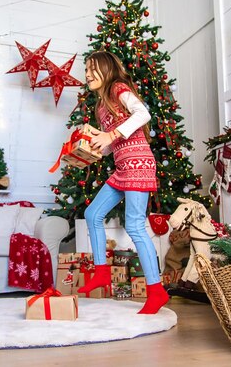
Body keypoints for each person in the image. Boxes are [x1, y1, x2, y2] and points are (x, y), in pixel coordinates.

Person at [79, 51, 169, 314]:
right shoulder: (100, 106)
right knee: (92, 213)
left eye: (92, 69)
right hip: (122, 167)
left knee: (135, 225)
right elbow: (110, 144)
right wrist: (97, 143)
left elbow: (143, 114)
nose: (87, 75)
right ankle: (102, 272)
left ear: (106, 70)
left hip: (139, 164)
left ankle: (156, 291)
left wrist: (111, 134)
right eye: (85, 70)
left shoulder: (119, 89)